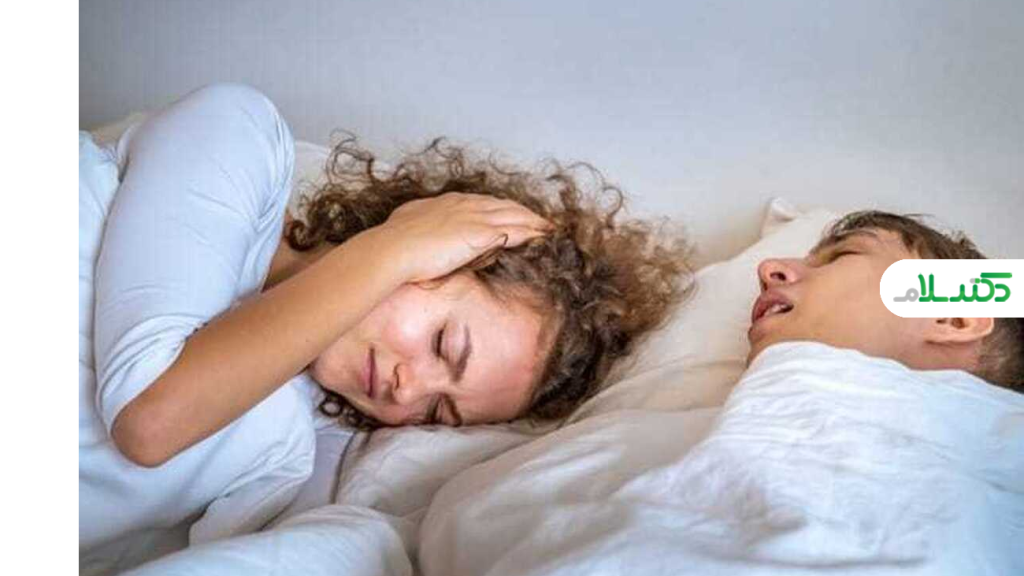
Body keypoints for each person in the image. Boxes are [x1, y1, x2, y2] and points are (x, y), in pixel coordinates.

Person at [78, 83, 692, 574]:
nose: (407, 390)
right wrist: (392, 247)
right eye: (444, 346)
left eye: (438, 412)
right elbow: (149, 416)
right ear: (437, 244)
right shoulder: (239, 138)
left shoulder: (284, 449)